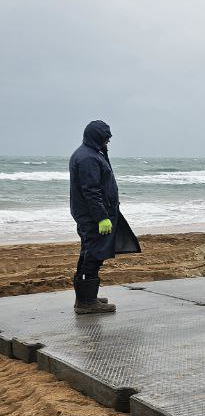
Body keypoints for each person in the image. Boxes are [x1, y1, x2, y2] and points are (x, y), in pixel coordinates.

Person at [69, 120, 140, 314]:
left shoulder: (91, 153)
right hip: (93, 217)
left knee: (89, 252)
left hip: (93, 214)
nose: (108, 140)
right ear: (96, 137)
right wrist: (101, 217)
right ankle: (86, 302)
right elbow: (91, 191)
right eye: (105, 137)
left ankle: (85, 297)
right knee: (94, 254)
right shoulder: (88, 158)